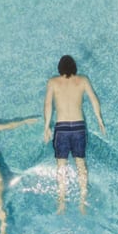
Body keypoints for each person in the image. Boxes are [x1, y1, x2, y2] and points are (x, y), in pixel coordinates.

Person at [41, 54, 106, 213]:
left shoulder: (53, 82)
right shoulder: (83, 80)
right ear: (74, 68)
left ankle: (62, 201)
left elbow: (48, 104)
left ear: (59, 68)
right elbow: (94, 99)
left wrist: (46, 126)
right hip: (78, 127)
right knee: (80, 163)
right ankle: (83, 201)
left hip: (62, 127)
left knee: (61, 165)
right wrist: (99, 120)